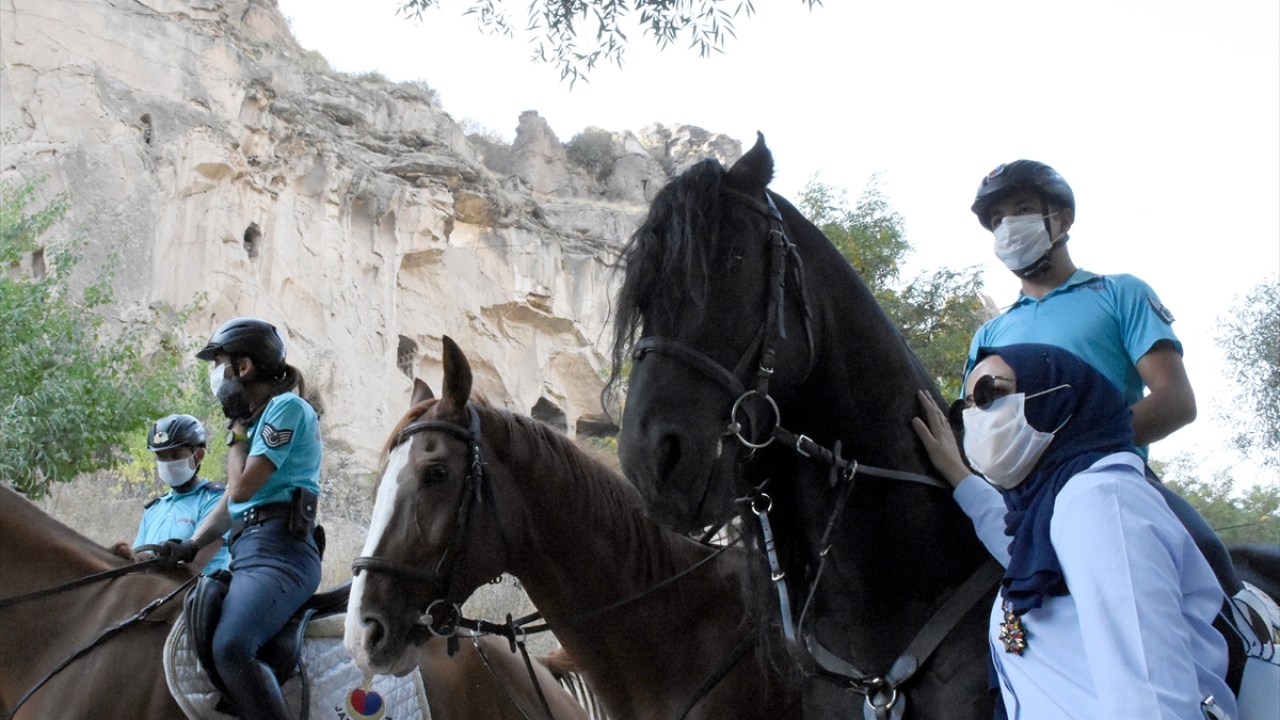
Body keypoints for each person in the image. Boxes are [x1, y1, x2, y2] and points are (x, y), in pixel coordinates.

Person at [912, 343, 1236, 720]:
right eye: (964, 407)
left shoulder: (1103, 502)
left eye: (989, 394)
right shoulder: (1058, 512)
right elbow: (1023, 550)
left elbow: (1152, 700)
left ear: (1059, 399)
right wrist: (959, 474)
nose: (975, 418)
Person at [965, 160, 1241, 595]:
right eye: (997, 220)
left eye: (1020, 210)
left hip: (1116, 487)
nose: (1007, 227)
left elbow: (1176, 401)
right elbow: (977, 435)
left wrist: (1070, 455)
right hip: (1016, 509)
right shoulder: (988, 335)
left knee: (1211, 565)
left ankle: (1246, 628)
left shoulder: (1121, 292)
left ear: (1062, 218)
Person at [161, 317, 322, 720]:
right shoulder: (260, 420)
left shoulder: (287, 408)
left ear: (244, 367)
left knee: (231, 647)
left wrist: (235, 427)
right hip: (250, 553)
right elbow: (231, 508)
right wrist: (193, 544)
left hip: (282, 555)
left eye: (220, 362)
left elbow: (241, 489)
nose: (215, 374)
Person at [133, 414, 230, 572]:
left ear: (198, 455)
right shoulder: (153, 509)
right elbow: (135, 562)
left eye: (176, 454)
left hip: (196, 594)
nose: (168, 463)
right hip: (149, 594)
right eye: (161, 456)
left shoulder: (216, 501)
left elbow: (194, 567)